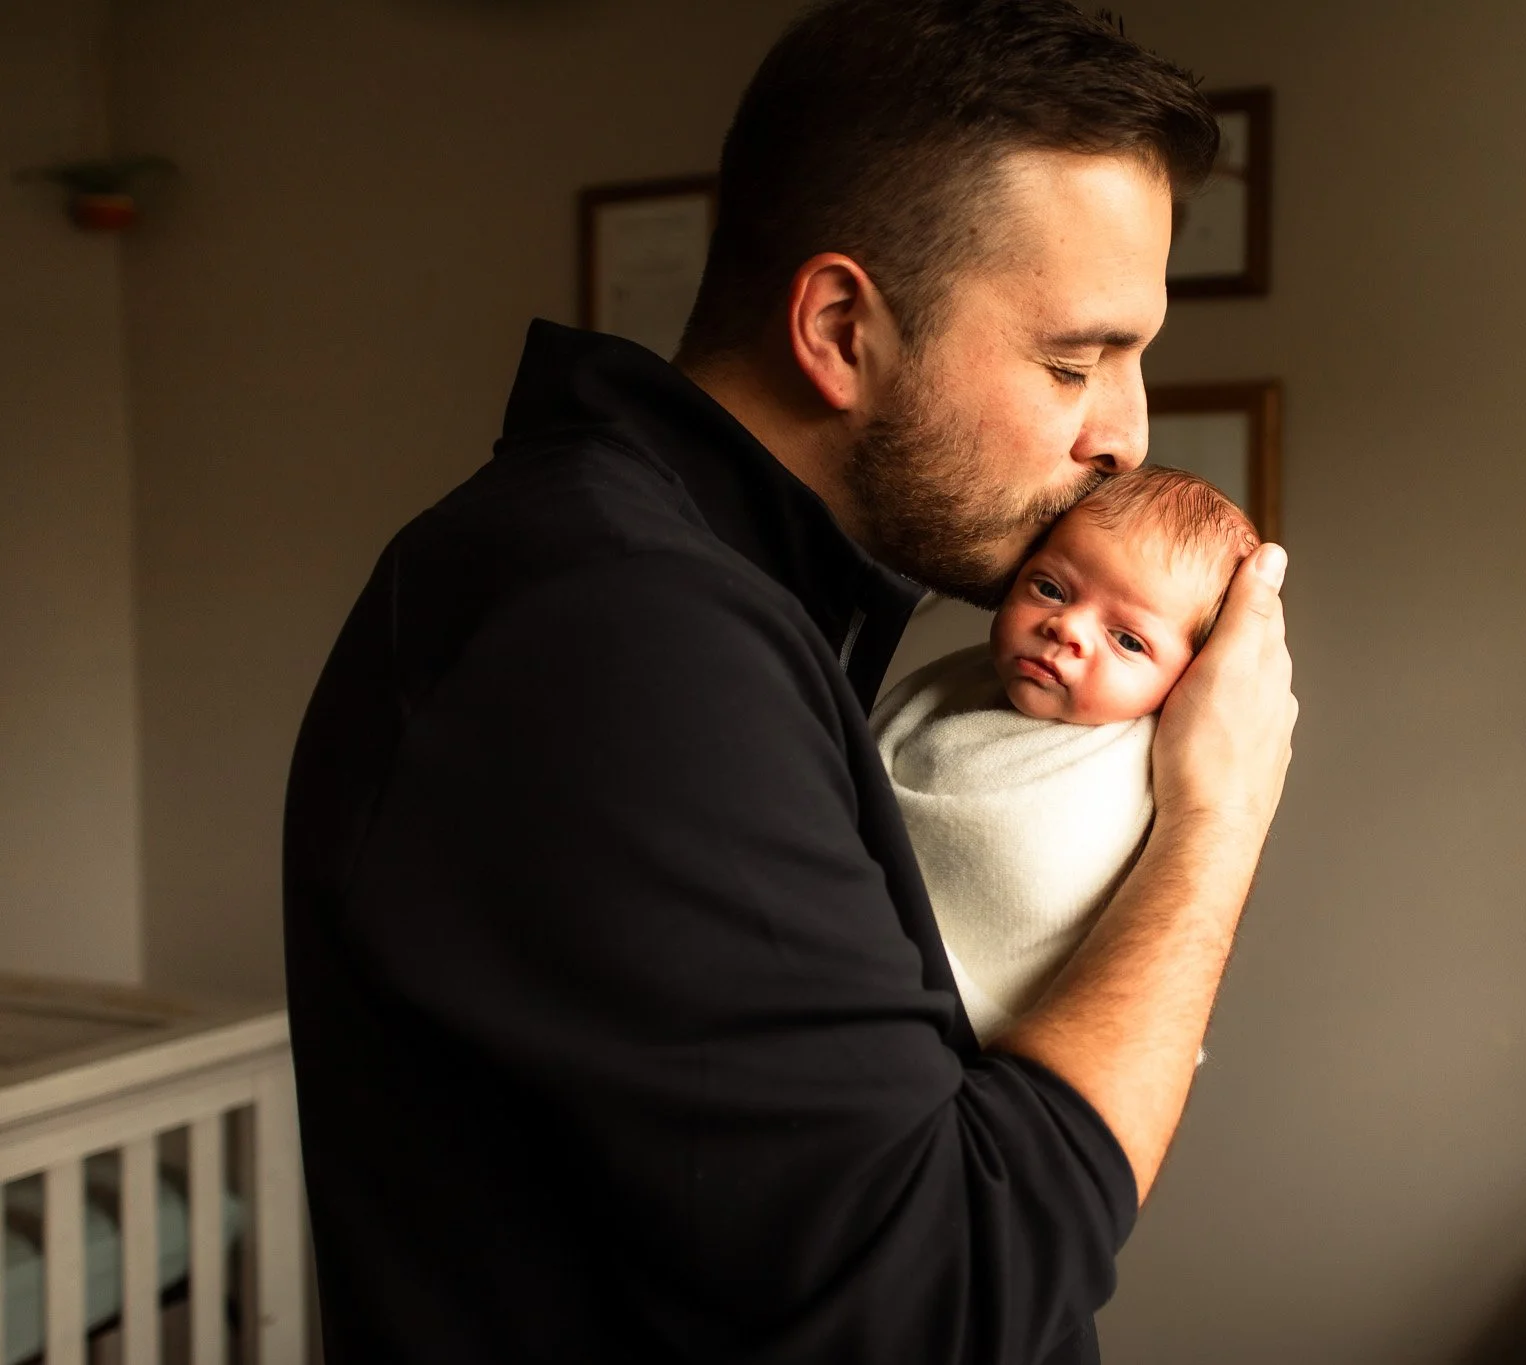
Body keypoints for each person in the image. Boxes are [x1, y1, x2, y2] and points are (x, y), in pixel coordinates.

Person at [281, 1, 1296, 1362]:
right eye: (1075, 359)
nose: (1125, 432)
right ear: (838, 326)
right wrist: (1215, 826)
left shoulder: (721, 594)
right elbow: (942, 1311)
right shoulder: (616, 628)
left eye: (1133, 356)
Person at [874, 467, 1259, 1041]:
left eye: (1128, 640)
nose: (1066, 627)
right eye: (1050, 588)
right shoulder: (951, 686)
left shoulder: (1139, 769)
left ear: (1190, 676)